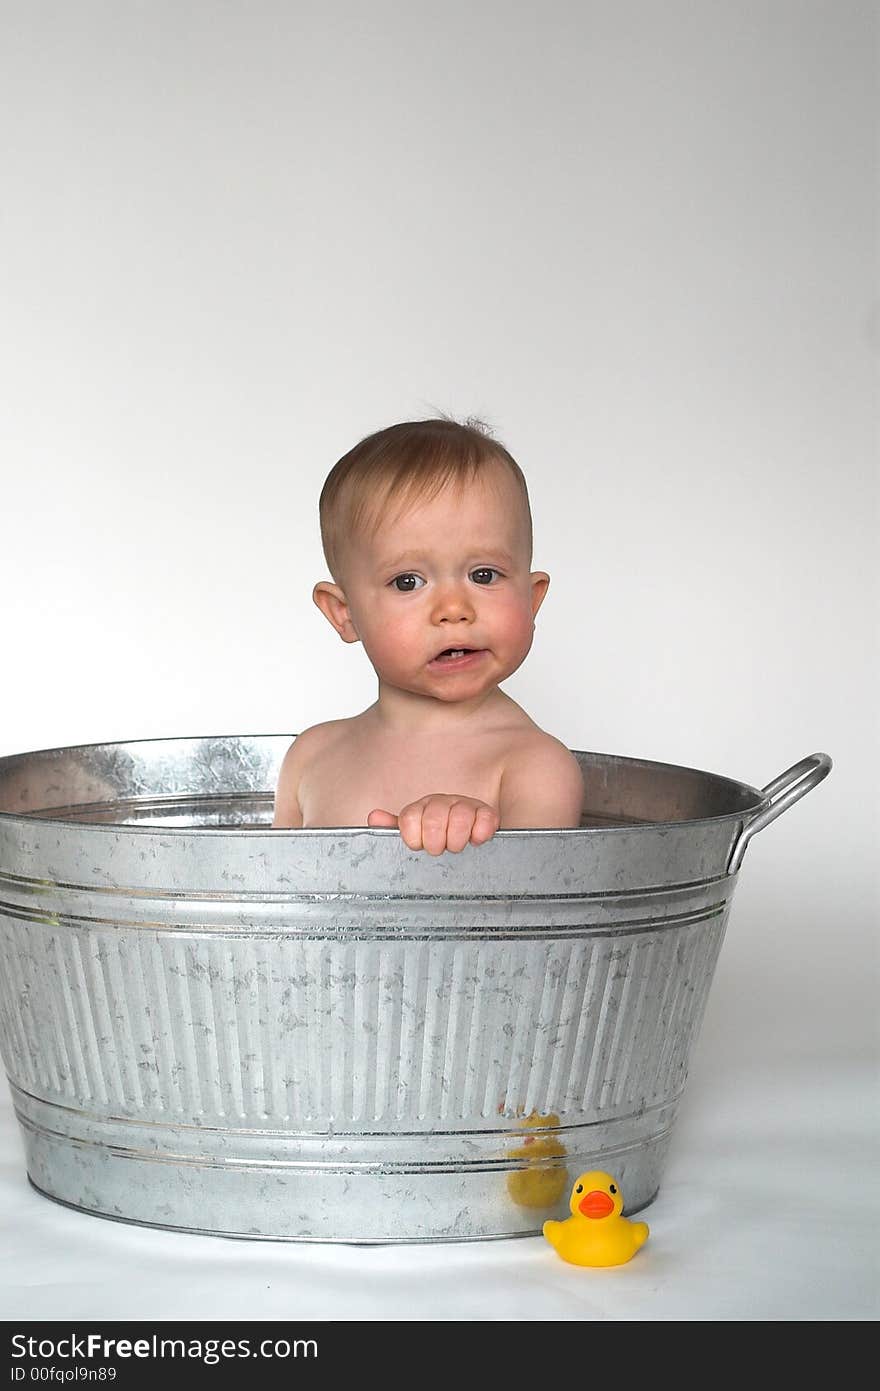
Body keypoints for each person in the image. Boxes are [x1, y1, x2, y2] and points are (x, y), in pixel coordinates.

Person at [272, 416, 584, 853]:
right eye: (407, 582)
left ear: (531, 600)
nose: (454, 610)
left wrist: (462, 847)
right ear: (345, 614)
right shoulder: (311, 757)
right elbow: (272, 905)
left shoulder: (533, 766)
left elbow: (532, 910)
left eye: (484, 574)